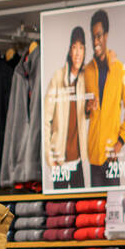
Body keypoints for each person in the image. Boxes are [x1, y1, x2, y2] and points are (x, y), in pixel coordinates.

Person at [82, 9, 125, 178]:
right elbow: (83, 110)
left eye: (99, 35)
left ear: (107, 35)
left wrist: (120, 142)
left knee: (114, 204)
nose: (96, 41)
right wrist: (87, 108)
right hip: (94, 154)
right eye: (93, 36)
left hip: (112, 154)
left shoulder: (120, 70)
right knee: (92, 205)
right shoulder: (87, 71)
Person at [44, 26, 91, 190]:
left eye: (81, 48)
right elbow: (46, 119)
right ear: (70, 50)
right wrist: (50, 158)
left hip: (77, 159)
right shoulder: (58, 77)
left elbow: (83, 113)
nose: (78, 53)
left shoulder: (85, 79)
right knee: (59, 211)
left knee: (82, 210)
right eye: (74, 47)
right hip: (60, 159)